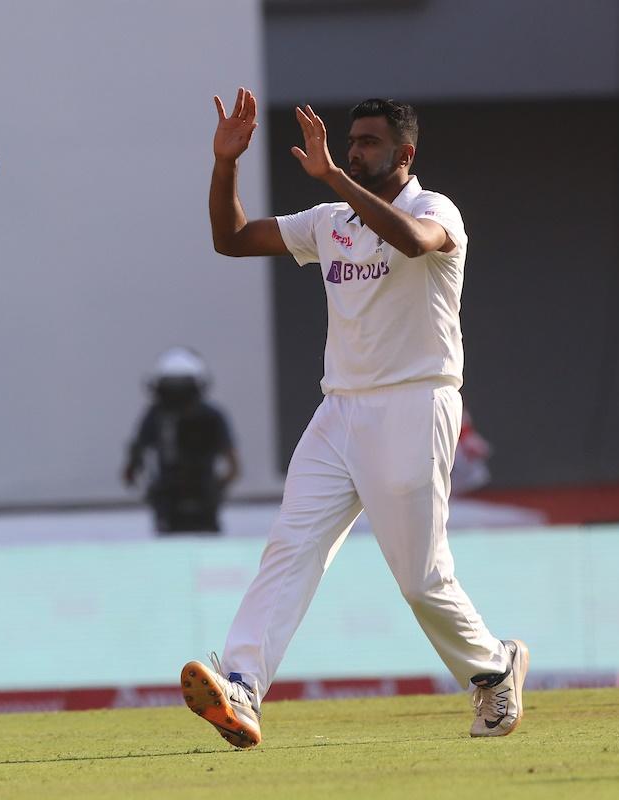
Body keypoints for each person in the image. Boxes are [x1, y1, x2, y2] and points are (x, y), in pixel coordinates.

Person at [180, 89, 528, 748]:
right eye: (351, 142)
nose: (354, 151)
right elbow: (231, 239)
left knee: (421, 579)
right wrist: (225, 163)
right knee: (290, 548)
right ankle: (243, 687)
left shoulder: (434, 208)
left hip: (415, 401)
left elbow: (417, 241)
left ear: (406, 153)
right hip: (339, 409)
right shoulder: (328, 219)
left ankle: (492, 668)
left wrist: (335, 178)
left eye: (369, 143)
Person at [122, 347, 240, 533]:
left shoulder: (211, 416)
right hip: (173, 499)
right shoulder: (157, 416)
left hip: (197, 496)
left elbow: (233, 464)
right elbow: (233, 465)